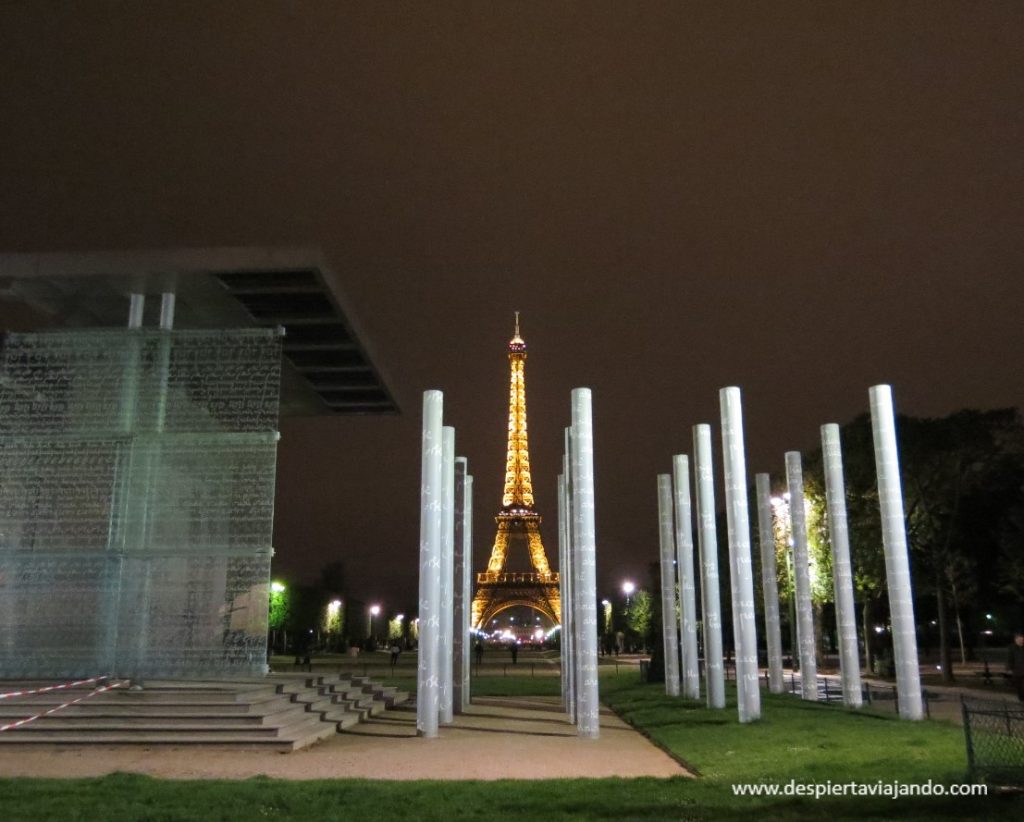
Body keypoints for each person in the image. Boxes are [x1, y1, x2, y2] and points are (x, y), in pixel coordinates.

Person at [1007, 631, 1024, 702]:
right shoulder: (1012, 648)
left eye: (1022, 640)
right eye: (1019, 639)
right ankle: (1021, 698)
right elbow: (1010, 659)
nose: (1021, 641)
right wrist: (1009, 668)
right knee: (1019, 686)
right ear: (1016, 640)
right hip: (1017, 670)